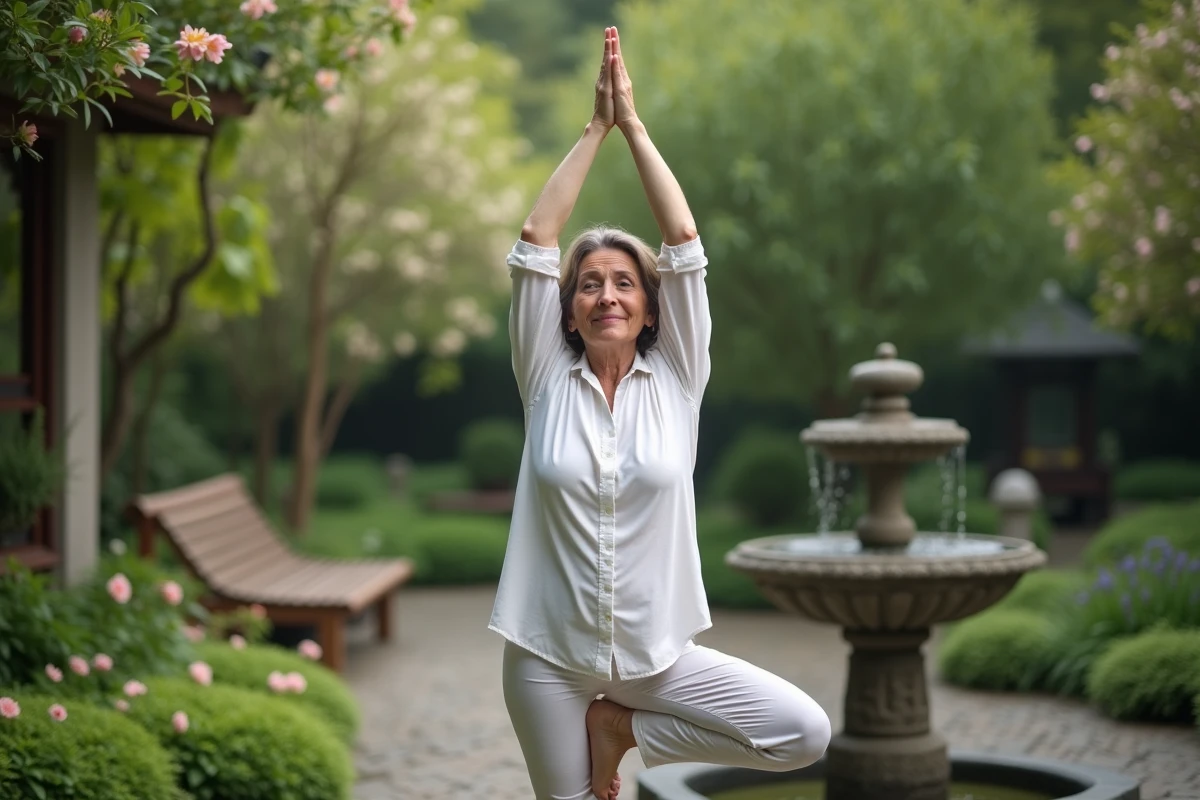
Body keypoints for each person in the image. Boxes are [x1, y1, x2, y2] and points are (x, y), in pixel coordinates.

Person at [488, 25, 832, 800]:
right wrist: (593, 129)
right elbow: (536, 238)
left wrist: (633, 126)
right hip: (547, 654)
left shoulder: (679, 378)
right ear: (568, 314)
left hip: (657, 658)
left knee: (802, 732)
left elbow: (682, 240)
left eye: (624, 283)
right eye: (588, 285)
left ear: (649, 310)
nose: (605, 294)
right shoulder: (543, 378)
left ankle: (625, 731)